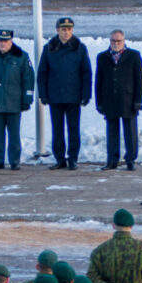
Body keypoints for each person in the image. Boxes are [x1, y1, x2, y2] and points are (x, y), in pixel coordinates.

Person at [37, 17, 91, 170]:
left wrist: (86, 94)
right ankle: (60, 158)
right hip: (55, 96)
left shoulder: (79, 47)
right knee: (57, 129)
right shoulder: (50, 48)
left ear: (72, 30)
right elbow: (42, 73)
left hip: (74, 96)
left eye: (69, 29)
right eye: (63, 29)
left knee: (73, 129)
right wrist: (43, 94)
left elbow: (86, 73)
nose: (66, 32)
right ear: (57, 30)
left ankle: (72, 158)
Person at [0, 29, 35, 170]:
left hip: (13, 102)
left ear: (11, 41)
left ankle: (14, 161)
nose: (3, 44)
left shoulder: (21, 57)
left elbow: (28, 79)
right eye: (0, 41)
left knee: (14, 135)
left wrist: (27, 99)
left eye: (6, 41)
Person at [93, 29, 142, 172]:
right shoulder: (102, 57)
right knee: (112, 132)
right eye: (113, 41)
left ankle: (130, 159)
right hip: (110, 100)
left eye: (118, 41)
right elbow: (98, 80)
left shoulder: (133, 55)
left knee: (130, 132)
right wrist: (99, 102)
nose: (116, 44)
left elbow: (140, 79)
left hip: (128, 99)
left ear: (124, 41)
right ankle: (112, 160)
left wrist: (138, 100)